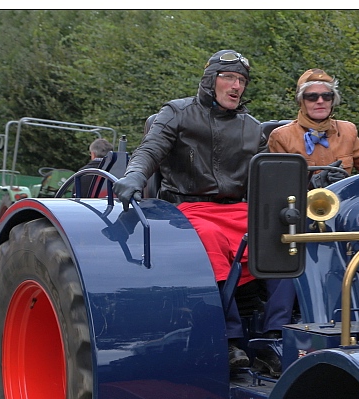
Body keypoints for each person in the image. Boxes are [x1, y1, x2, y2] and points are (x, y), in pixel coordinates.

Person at [113, 49, 286, 373]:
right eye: (229, 78)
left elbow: (267, 175)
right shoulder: (177, 113)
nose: (236, 86)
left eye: (242, 80)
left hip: (237, 209)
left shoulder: (252, 128)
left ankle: (272, 338)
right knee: (209, 238)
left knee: (284, 237)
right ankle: (231, 339)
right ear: (211, 81)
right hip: (187, 207)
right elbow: (150, 149)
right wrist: (135, 174)